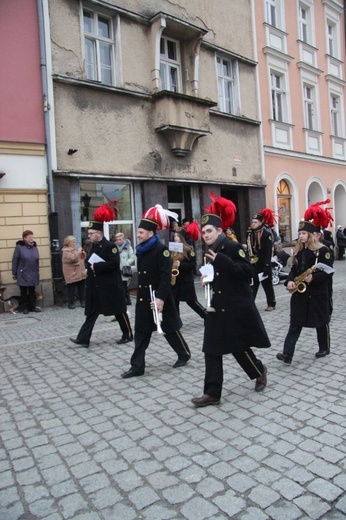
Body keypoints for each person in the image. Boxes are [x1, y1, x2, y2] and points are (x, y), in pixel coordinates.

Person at [191, 210, 270, 408]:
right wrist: (207, 279)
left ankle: (259, 371)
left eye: (209, 231)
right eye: (203, 232)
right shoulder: (210, 251)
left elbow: (247, 273)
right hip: (216, 307)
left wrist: (222, 261)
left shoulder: (233, 247)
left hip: (235, 307)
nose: (206, 235)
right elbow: (218, 276)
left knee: (238, 348)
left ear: (219, 230)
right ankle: (212, 393)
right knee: (211, 350)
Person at [121, 211, 191, 379]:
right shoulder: (141, 249)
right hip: (144, 297)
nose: (138, 235)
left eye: (141, 233)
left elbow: (166, 276)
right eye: (138, 232)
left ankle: (184, 353)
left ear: (151, 233)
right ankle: (137, 366)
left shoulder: (161, 250)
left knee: (169, 329)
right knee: (141, 332)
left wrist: (160, 298)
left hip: (159, 296)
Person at [70, 206, 133, 348]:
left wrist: (96, 267)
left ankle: (128, 334)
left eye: (91, 233)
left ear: (99, 233)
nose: (89, 235)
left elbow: (114, 263)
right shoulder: (95, 246)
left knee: (119, 311)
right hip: (97, 286)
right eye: (89, 233)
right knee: (92, 313)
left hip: (110, 286)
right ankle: (83, 338)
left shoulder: (110, 246)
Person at [277, 220, 333, 365]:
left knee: (321, 322)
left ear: (310, 234)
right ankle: (287, 354)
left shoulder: (323, 250)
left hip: (317, 292)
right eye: (299, 233)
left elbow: (328, 272)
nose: (300, 236)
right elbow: (294, 270)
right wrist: (290, 281)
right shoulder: (299, 250)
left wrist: (313, 277)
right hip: (300, 293)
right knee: (295, 323)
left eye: (303, 233)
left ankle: (324, 347)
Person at [171, 228, 207, 320]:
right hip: (175, 280)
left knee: (191, 301)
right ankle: (177, 321)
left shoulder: (188, 250)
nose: (175, 238)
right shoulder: (173, 249)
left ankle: (206, 315)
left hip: (185, 281)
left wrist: (180, 264)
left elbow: (192, 265)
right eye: (174, 236)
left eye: (178, 237)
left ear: (182, 238)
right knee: (174, 302)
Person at [247, 213, 276, 311]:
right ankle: (250, 304)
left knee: (267, 285)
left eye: (255, 222)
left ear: (260, 223)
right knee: (253, 285)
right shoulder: (251, 234)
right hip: (254, 263)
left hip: (264, 263)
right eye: (252, 222)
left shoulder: (266, 234)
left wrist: (267, 265)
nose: (253, 224)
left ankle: (271, 303)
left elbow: (268, 251)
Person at [12, 230, 41, 314]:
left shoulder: (35, 247)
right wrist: (14, 273)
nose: (31, 239)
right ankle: (24, 308)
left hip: (33, 273)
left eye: (32, 237)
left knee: (32, 291)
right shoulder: (19, 247)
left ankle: (32, 307)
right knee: (24, 292)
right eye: (29, 237)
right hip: (22, 273)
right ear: (24, 238)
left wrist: (37, 271)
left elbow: (37, 261)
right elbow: (15, 260)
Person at [62, 236, 86, 309]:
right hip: (72, 272)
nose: (74, 243)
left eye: (74, 242)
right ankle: (71, 303)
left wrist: (83, 253)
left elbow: (81, 258)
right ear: (68, 243)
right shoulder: (66, 251)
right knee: (71, 289)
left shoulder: (75, 249)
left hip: (80, 271)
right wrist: (78, 252)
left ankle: (83, 301)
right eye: (73, 242)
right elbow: (72, 259)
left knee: (82, 287)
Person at [115, 232, 135, 305]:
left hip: (124, 268)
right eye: (117, 240)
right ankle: (120, 299)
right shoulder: (114, 247)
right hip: (116, 268)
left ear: (123, 239)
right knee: (118, 285)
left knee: (124, 285)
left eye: (120, 239)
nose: (118, 241)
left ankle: (127, 300)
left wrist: (127, 263)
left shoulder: (128, 247)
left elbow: (132, 257)